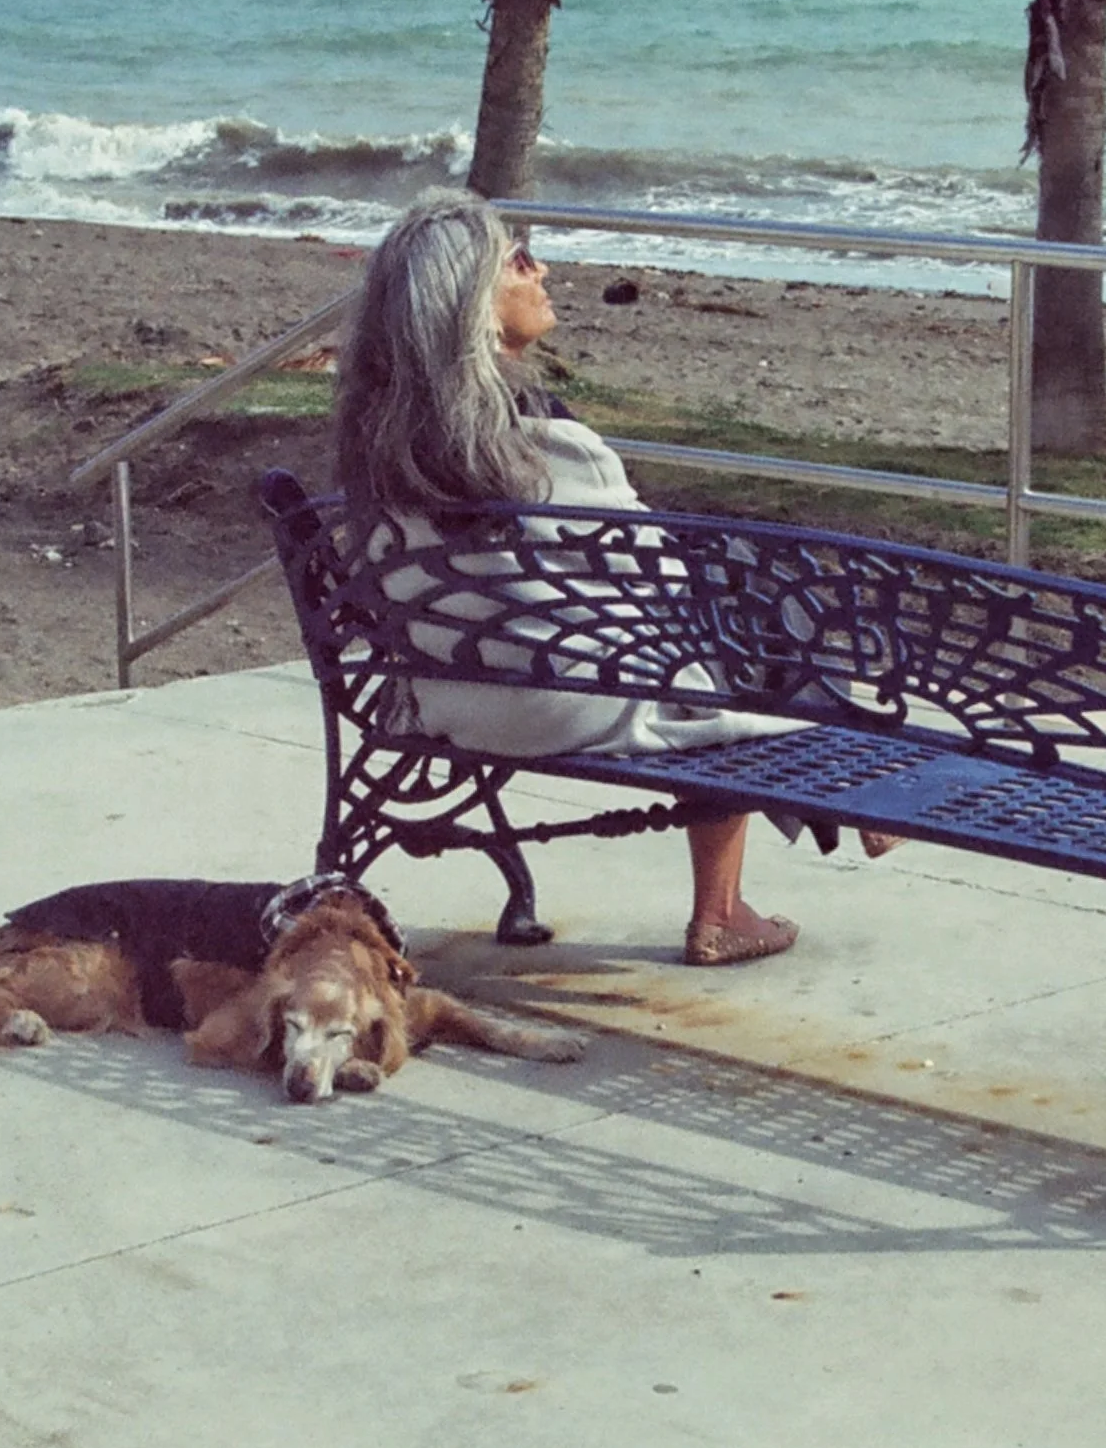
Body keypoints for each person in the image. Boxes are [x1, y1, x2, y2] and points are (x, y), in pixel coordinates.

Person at [333, 192, 801, 967]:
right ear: (472, 308)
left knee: (713, 635)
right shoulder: (548, 442)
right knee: (724, 629)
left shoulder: (376, 447)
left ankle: (807, 802)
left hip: (441, 699)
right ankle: (721, 909)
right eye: (517, 261)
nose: (541, 269)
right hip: (560, 708)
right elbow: (661, 587)